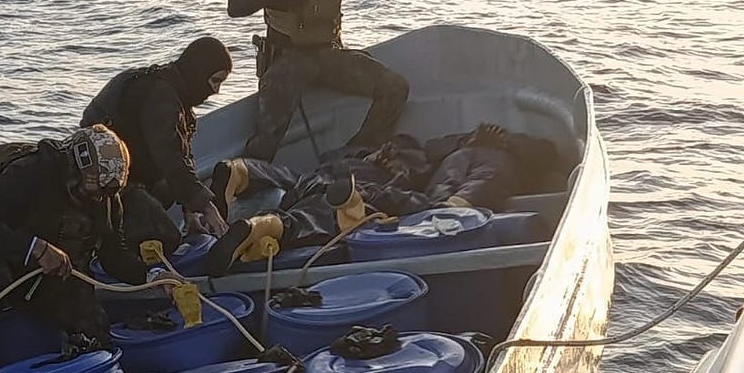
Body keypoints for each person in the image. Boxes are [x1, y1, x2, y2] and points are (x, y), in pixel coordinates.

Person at [0, 124, 177, 373]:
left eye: (106, 193)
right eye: (93, 191)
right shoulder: (29, 172)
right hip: (6, 265)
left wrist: (153, 275)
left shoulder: (107, 196)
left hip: (56, 275)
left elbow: (114, 256)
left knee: (97, 337)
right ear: (74, 172)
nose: (98, 198)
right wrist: (34, 248)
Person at [202, 123, 561, 275]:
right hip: (360, 183)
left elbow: (545, 154)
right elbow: (430, 181)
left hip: (331, 175)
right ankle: (269, 226)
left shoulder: (486, 158)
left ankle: (240, 170)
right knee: (339, 207)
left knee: (305, 186)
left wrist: (484, 140)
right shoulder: (438, 156)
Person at [227, 0, 410, 162]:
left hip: (329, 55)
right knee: (269, 133)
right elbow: (235, 4)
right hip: (288, 59)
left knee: (395, 87)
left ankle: (357, 154)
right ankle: (249, 174)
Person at [81, 37, 234, 239]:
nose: (216, 91)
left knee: (172, 188)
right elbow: (170, 159)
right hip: (106, 185)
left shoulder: (178, 95)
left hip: (138, 171)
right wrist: (208, 209)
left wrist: (191, 211)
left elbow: (182, 155)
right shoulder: (161, 98)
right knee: (168, 238)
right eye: (215, 81)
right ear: (199, 73)